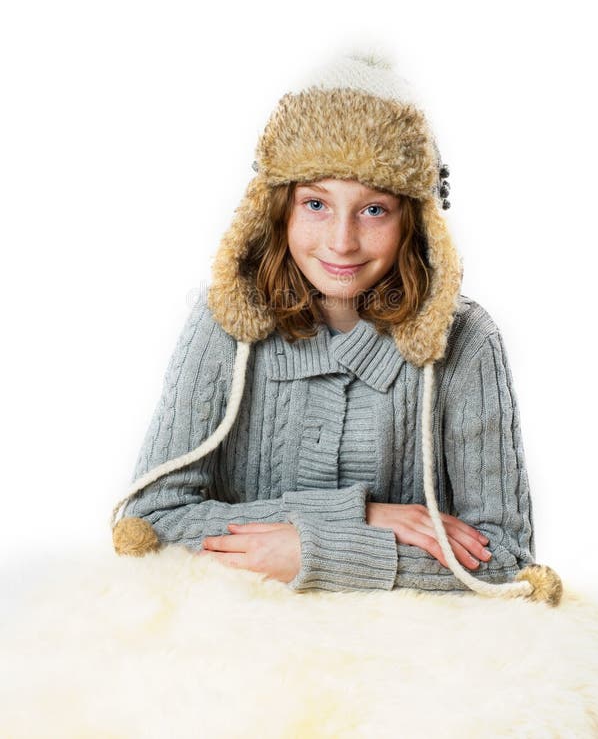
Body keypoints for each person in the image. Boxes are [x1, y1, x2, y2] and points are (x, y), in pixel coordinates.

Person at [110, 49, 562, 604]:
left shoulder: (466, 340)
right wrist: (363, 517)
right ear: (279, 209)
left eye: (374, 210)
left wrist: (317, 551)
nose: (342, 241)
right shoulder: (224, 325)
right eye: (317, 203)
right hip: (237, 653)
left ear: (413, 219)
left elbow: (506, 559)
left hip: (411, 661)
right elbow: (150, 522)